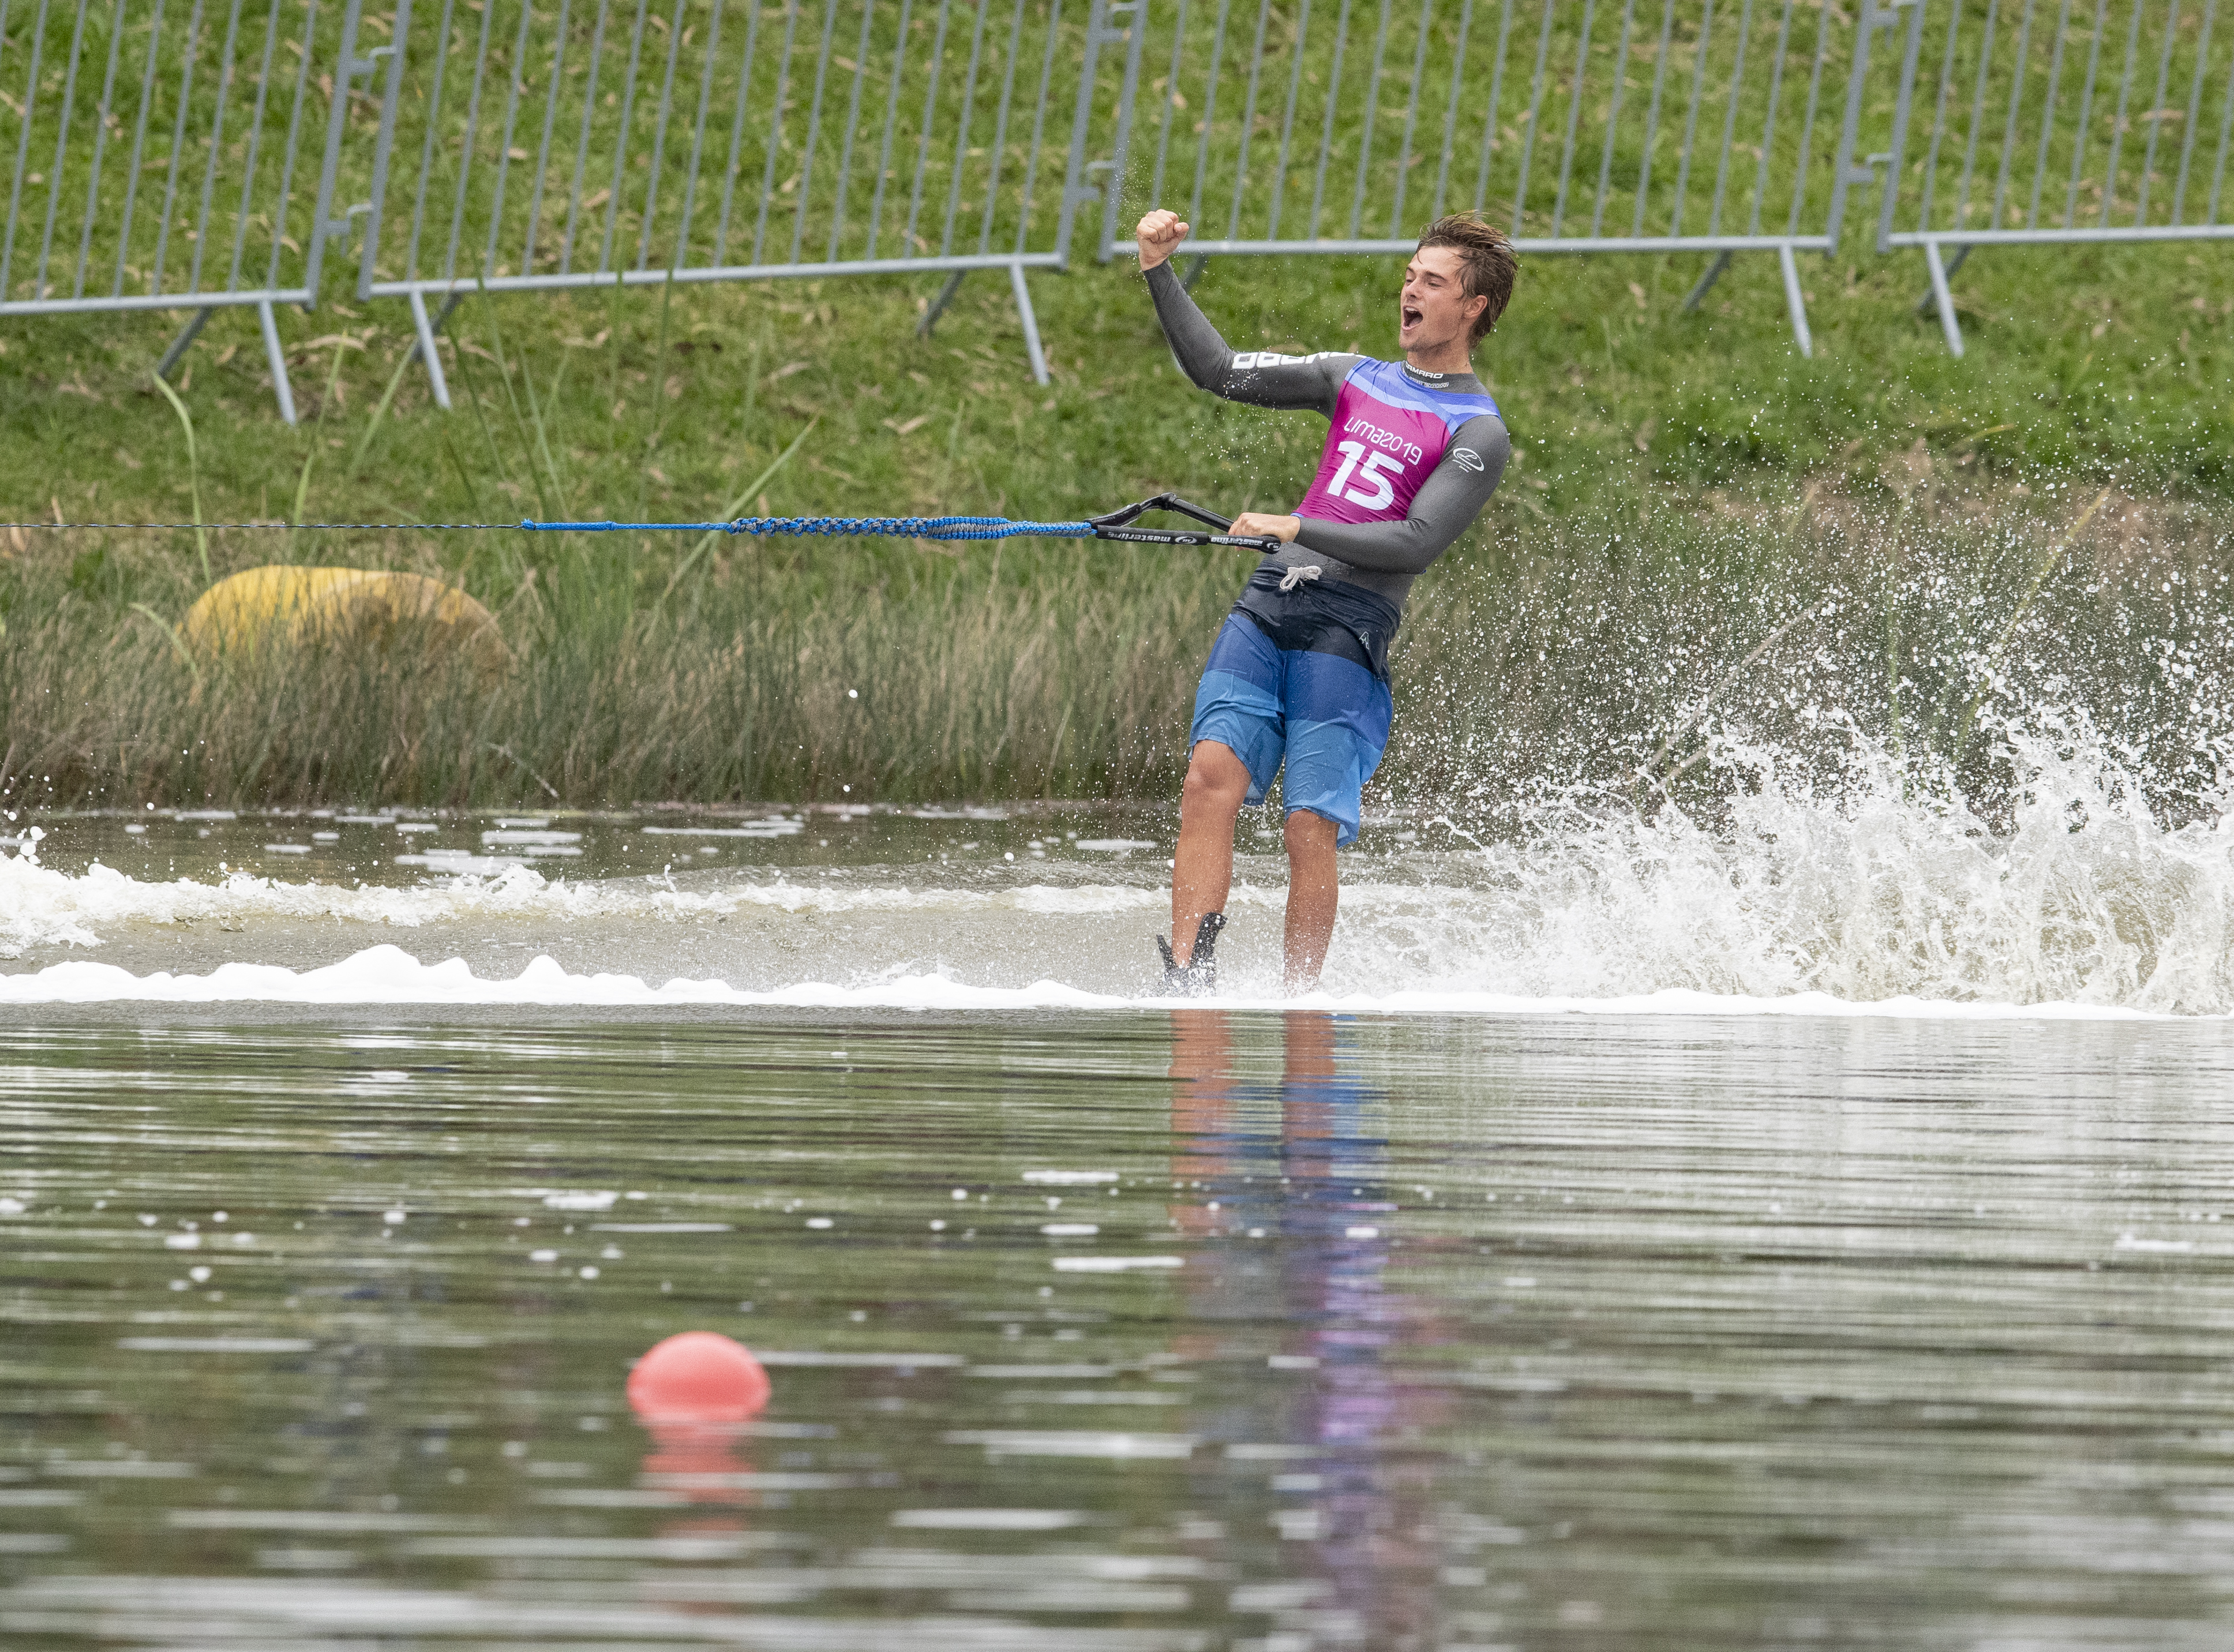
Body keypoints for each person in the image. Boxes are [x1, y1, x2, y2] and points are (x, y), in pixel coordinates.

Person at [1139, 208, 1517, 995]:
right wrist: (1157, 268)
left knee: (1308, 826)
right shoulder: (1351, 375)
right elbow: (1218, 369)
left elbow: (1416, 541)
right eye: (1410, 275)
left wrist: (1298, 523)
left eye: (1433, 283)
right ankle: (1186, 977)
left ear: (1473, 308)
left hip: (1348, 627)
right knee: (1211, 776)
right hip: (1269, 602)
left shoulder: (1478, 431)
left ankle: (1298, 1001)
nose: (1410, 291)